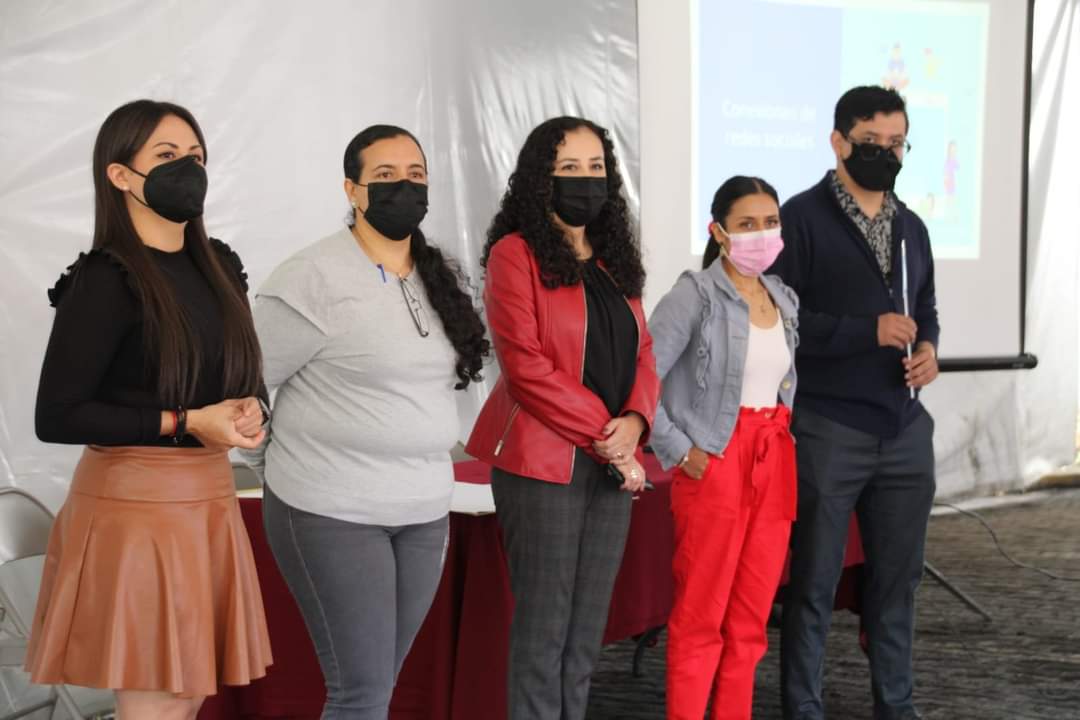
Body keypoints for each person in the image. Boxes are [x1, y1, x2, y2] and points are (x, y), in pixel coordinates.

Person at [27, 99, 272, 720]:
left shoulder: (221, 267)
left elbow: (245, 379)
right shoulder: (105, 278)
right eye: (166, 156)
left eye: (194, 156)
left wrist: (251, 411)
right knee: (156, 703)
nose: (187, 168)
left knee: (186, 699)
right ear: (120, 175)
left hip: (208, 504)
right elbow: (57, 415)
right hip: (134, 514)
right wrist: (186, 422)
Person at [243, 124, 489, 720]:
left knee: (380, 684)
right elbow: (242, 382)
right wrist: (270, 460)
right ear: (352, 191)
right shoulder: (310, 279)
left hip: (424, 511)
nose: (403, 188)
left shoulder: (437, 275)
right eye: (385, 177)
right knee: (362, 694)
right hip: (331, 509)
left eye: (415, 176)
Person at [465, 116, 660, 720]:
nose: (585, 179)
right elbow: (525, 366)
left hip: (608, 461)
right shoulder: (514, 254)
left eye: (596, 167)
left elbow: (643, 353)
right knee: (544, 631)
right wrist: (610, 437)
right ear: (540, 178)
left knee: (585, 634)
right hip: (543, 463)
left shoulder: (612, 259)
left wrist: (634, 421)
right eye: (569, 168)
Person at [772, 86, 940, 720]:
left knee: (897, 585)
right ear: (839, 141)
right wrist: (861, 332)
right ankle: (804, 708)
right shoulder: (802, 219)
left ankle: (896, 706)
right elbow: (781, 322)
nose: (888, 156)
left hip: (903, 429)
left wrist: (928, 348)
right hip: (827, 427)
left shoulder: (912, 226)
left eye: (898, 145)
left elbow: (925, 310)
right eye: (873, 144)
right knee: (813, 585)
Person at [649, 176, 799, 720]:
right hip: (716, 458)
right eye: (747, 225)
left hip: (774, 455)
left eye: (771, 222)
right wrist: (680, 449)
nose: (762, 234)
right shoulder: (695, 293)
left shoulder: (782, 296)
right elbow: (643, 378)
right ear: (718, 230)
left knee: (751, 621)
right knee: (700, 616)